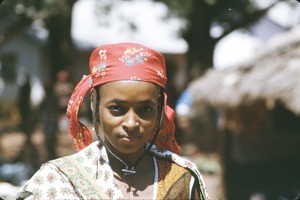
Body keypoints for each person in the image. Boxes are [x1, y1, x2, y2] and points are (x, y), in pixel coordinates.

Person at [17, 42, 209, 199]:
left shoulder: (181, 178)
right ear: (95, 106)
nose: (132, 123)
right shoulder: (58, 180)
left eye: (145, 110)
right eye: (117, 109)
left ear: (159, 111)